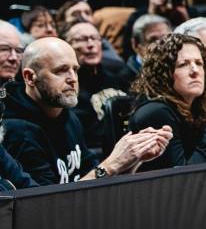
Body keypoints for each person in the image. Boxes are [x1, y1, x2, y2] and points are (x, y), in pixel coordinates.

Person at [3, 37, 171, 184]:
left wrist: (133, 160)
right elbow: (47, 205)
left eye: (75, 70)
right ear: (30, 77)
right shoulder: (17, 130)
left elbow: (94, 181)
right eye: (61, 70)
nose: (72, 79)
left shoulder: (67, 115)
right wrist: (112, 164)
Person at [125, 33, 206, 169]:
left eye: (199, 63)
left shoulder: (198, 109)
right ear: (164, 73)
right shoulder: (156, 113)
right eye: (183, 64)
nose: (195, 71)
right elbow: (183, 178)